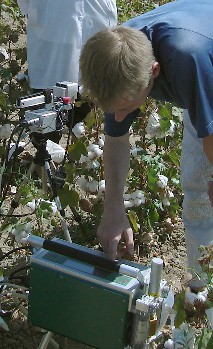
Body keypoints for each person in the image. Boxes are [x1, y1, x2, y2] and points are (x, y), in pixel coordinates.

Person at [80, 0, 213, 291]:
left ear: (154, 71)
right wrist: (113, 209)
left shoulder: (187, 58)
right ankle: (201, 291)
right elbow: (116, 140)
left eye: (125, 106)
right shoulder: (115, 59)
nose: (117, 117)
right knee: (198, 193)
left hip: (204, 60)